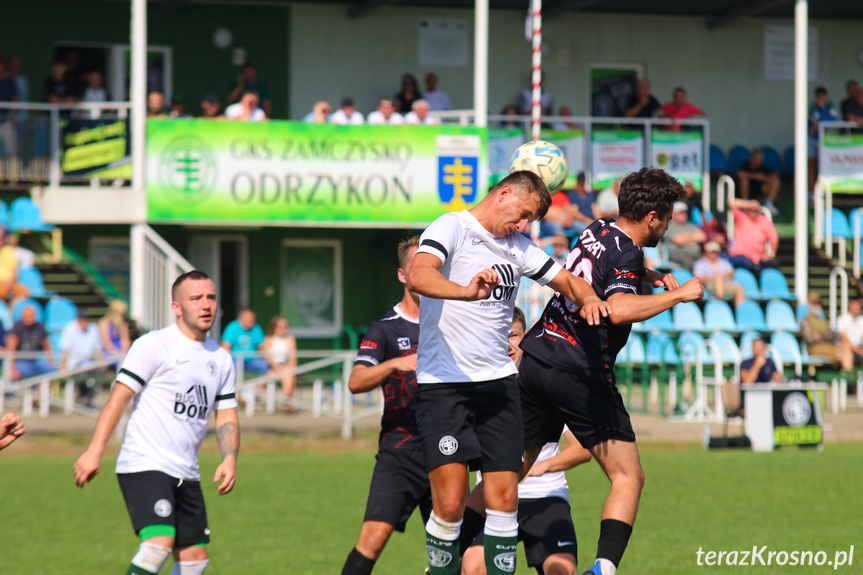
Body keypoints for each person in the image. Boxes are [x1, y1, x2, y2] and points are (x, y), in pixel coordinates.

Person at [406, 170, 611, 575]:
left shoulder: (518, 248)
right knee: (449, 505)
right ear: (503, 194)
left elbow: (568, 281)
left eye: (530, 220)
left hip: (499, 387)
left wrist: (588, 299)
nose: (523, 225)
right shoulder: (452, 227)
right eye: (523, 214)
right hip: (445, 387)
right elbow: (419, 273)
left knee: (504, 498)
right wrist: (464, 290)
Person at [513, 167, 704, 575]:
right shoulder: (630, 253)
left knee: (517, 467)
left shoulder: (598, 227)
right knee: (628, 477)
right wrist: (680, 296)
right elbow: (616, 309)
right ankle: (602, 571)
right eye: (667, 218)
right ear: (652, 217)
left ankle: (456, 537)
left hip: (536, 356)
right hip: (578, 370)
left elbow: (595, 271)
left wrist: (646, 277)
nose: (667, 226)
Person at [73, 270, 239, 575]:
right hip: (145, 463)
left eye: (211, 297)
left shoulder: (222, 358)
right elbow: (118, 400)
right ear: (177, 307)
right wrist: (95, 450)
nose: (206, 305)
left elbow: (226, 412)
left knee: (195, 559)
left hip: (187, 471)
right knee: (158, 544)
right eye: (196, 298)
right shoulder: (154, 345)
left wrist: (229, 458)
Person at [461, 307, 591, 575]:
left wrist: (539, 467)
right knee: (473, 567)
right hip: (494, 497)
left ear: (526, 336)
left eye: (513, 335)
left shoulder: (545, 385)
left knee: (563, 570)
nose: (507, 344)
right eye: (499, 336)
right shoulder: (478, 389)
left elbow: (582, 449)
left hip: (545, 496)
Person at [341, 236, 431, 575]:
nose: (425, 274)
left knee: (460, 553)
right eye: (416, 268)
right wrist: (396, 364)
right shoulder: (385, 328)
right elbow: (355, 381)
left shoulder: (451, 323)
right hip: (401, 450)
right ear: (402, 276)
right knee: (372, 540)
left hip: (446, 449)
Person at [59, 309, 105, 407]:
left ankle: (86, 398)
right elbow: (65, 350)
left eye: (86, 320)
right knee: (82, 374)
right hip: (75, 364)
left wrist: (102, 364)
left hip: (89, 364)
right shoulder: (70, 328)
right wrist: (63, 368)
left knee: (102, 375)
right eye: (83, 320)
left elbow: (97, 350)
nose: (85, 322)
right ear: (78, 320)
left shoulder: (93, 328)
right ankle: (84, 398)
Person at [801, 292, 852, 371]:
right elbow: (810, 339)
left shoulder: (824, 321)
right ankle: (849, 375)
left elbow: (833, 335)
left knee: (846, 346)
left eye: (818, 303)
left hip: (829, 346)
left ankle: (848, 373)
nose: (817, 306)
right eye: (814, 303)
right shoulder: (805, 321)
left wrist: (819, 335)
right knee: (842, 352)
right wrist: (826, 336)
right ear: (809, 304)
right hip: (815, 348)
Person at [726, 198, 779, 271]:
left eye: (755, 210)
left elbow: (774, 239)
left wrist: (770, 254)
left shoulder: (765, 221)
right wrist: (749, 204)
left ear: (759, 210)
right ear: (747, 210)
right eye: (751, 210)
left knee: (774, 263)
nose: (753, 213)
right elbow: (730, 202)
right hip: (740, 256)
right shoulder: (742, 217)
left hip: (757, 258)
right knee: (745, 262)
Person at [7, 304, 54, 381]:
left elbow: (47, 346)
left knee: (54, 371)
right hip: (20, 362)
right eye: (27, 316)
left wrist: (50, 362)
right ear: (22, 316)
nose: (29, 319)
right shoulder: (16, 328)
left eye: (31, 316)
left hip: (34, 362)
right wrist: (11, 369)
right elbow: (10, 351)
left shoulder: (39, 327)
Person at [261, 316, 298, 411]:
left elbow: (293, 358)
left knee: (288, 373)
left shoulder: (290, 339)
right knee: (288, 376)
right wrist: (278, 368)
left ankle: (286, 398)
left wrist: (288, 368)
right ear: (274, 328)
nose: (283, 330)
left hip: (285, 368)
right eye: (280, 327)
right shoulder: (268, 339)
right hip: (271, 368)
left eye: (285, 327)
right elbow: (268, 358)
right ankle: (288, 401)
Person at [692, 242, 745, 306]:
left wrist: (722, 276)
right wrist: (714, 277)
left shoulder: (724, 262)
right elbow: (698, 278)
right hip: (710, 284)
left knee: (738, 288)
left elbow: (731, 273)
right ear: (706, 252)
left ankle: (740, 310)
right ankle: (722, 303)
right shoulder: (700, 264)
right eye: (711, 252)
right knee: (718, 278)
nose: (713, 254)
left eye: (715, 252)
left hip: (725, 283)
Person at [221, 308, 269, 375]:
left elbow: (263, 347)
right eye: (249, 318)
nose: (251, 320)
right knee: (228, 370)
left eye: (253, 318)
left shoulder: (256, 328)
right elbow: (225, 348)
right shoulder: (232, 327)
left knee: (266, 368)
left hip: (252, 360)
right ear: (241, 318)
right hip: (235, 359)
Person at [808, 86, 838, 191]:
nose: (822, 100)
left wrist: (824, 109)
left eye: (823, 97)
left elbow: (832, 122)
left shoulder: (830, 105)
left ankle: (822, 191)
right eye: (819, 98)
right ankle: (811, 192)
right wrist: (822, 109)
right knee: (811, 165)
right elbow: (821, 121)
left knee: (824, 165)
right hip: (812, 139)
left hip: (825, 139)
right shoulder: (813, 107)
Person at [737, 148, 780, 214]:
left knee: (775, 181)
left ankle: (768, 204)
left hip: (759, 193)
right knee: (744, 180)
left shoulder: (762, 168)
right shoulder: (745, 166)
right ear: (752, 159)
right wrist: (756, 176)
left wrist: (766, 178)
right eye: (757, 160)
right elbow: (740, 174)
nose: (759, 162)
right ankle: (744, 205)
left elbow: (774, 174)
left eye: (761, 160)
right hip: (745, 194)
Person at [665, 201, 707, 270]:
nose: (683, 214)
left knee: (706, 260)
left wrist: (685, 237)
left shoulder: (690, 225)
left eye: (684, 212)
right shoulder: (670, 226)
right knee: (687, 261)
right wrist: (693, 237)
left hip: (695, 254)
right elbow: (679, 240)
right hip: (677, 254)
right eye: (680, 213)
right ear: (673, 214)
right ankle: (687, 280)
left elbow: (703, 237)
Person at [837, 299, 863, 367]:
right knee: (846, 347)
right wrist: (856, 350)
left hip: (859, 347)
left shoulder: (862, 320)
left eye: (858, 309)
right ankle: (848, 373)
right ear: (850, 308)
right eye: (855, 308)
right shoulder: (842, 319)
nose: (857, 310)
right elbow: (844, 339)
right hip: (847, 347)